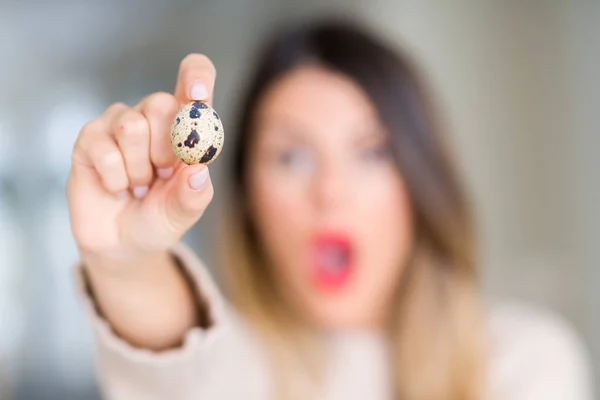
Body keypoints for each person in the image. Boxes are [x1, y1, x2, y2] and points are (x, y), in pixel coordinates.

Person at [67, 19, 592, 400]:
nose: (331, 191)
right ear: (249, 199)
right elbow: (178, 370)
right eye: (292, 157)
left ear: (419, 182)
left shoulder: (525, 361)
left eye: (372, 153)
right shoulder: (236, 372)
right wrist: (125, 262)